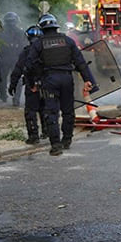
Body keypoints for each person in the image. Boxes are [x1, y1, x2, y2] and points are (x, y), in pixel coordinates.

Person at [25, 14, 96, 156]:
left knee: (51, 112)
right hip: (67, 79)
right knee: (68, 110)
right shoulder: (68, 41)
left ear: (42, 28)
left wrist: (32, 83)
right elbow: (80, 62)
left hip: (49, 80)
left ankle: (56, 145)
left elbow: (29, 65)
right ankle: (67, 139)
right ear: (55, 26)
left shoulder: (39, 44)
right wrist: (88, 80)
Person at [9, 25, 47, 144]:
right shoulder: (47, 51)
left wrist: (12, 85)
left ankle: (33, 136)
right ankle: (47, 132)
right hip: (47, 84)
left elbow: (18, 69)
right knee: (45, 109)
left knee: (30, 111)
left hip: (32, 86)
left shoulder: (26, 52)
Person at [0, 12, 27, 106]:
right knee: (18, 79)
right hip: (16, 59)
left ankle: (3, 95)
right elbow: (24, 46)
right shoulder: (21, 32)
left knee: (2, 78)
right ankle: (16, 99)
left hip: (4, 58)